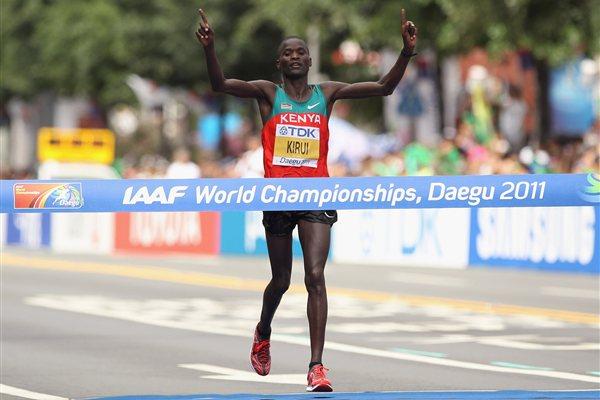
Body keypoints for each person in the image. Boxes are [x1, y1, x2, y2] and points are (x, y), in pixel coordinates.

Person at [196, 7, 417, 392]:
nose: (295, 56)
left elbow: (383, 88)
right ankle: (263, 329)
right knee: (281, 280)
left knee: (315, 276)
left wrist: (406, 53)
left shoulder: (326, 94)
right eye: (288, 53)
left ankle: (316, 365)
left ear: (310, 60)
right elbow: (221, 85)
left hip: (316, 194)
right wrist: (210, 49)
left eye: (301, 52)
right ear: (278, 62)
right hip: (278, 195)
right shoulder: (268, 93)